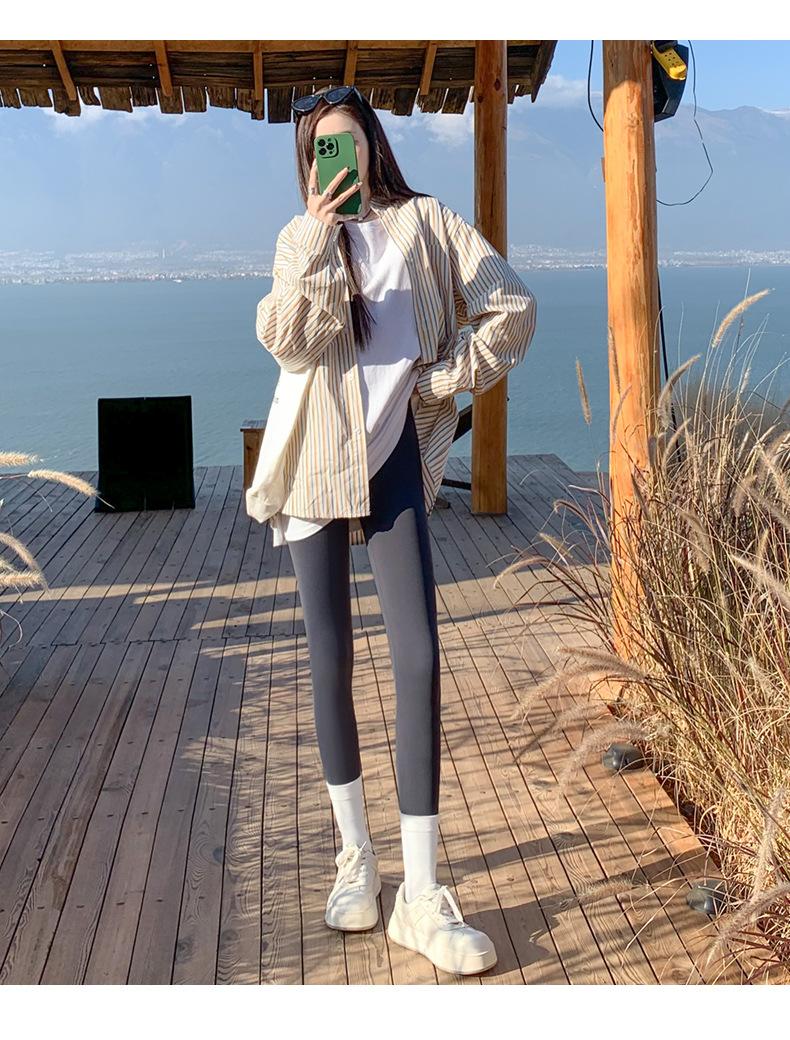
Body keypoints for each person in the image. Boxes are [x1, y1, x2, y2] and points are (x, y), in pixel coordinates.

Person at [247, 84, 537, 977]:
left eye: (350, 141)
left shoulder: (428, 225)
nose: (338, 161)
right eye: (320, 151)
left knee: (417, 657)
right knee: (330, 656)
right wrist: (315, 239)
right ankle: (355, 860)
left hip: (394, 457)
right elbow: (287, 342)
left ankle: (420, 893)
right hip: (313, 461)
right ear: (309, 167)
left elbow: (512, 307)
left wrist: (441, 381)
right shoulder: (300, 240)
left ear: (374, 144)